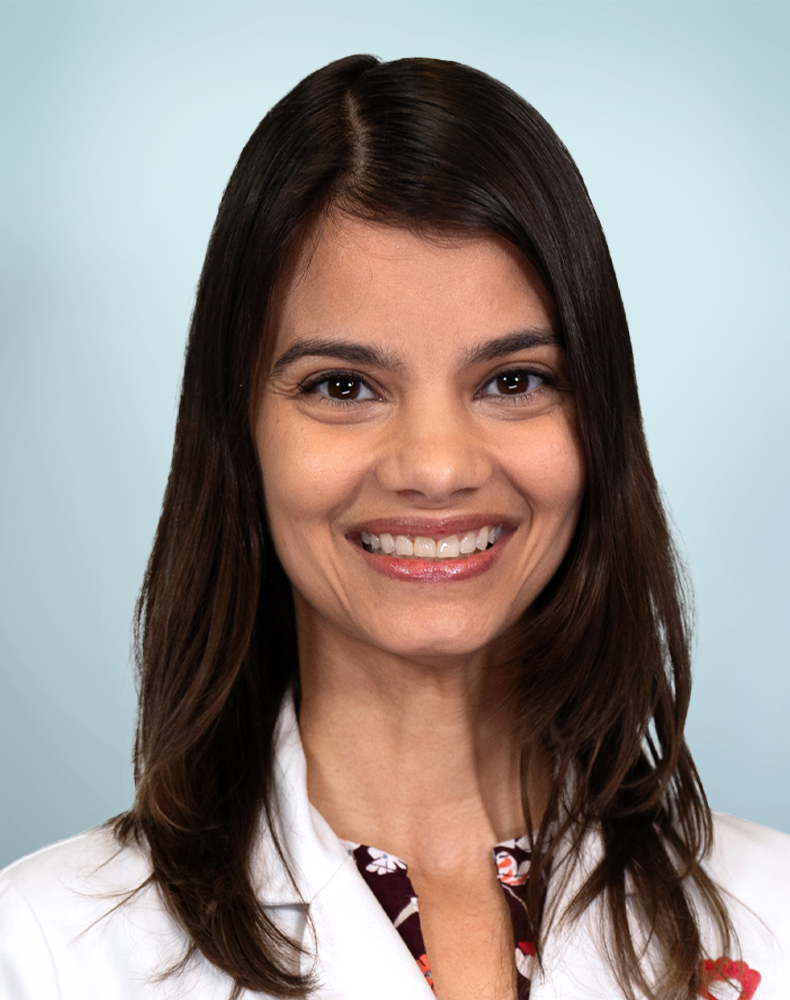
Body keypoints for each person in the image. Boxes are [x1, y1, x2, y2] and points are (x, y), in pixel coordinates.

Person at [0, 53, 788, 1000]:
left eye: (513, 380)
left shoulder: (774, 913)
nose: (437, 467)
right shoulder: (48, 952)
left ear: (599, 423)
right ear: (239, 434)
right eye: (344, 387)